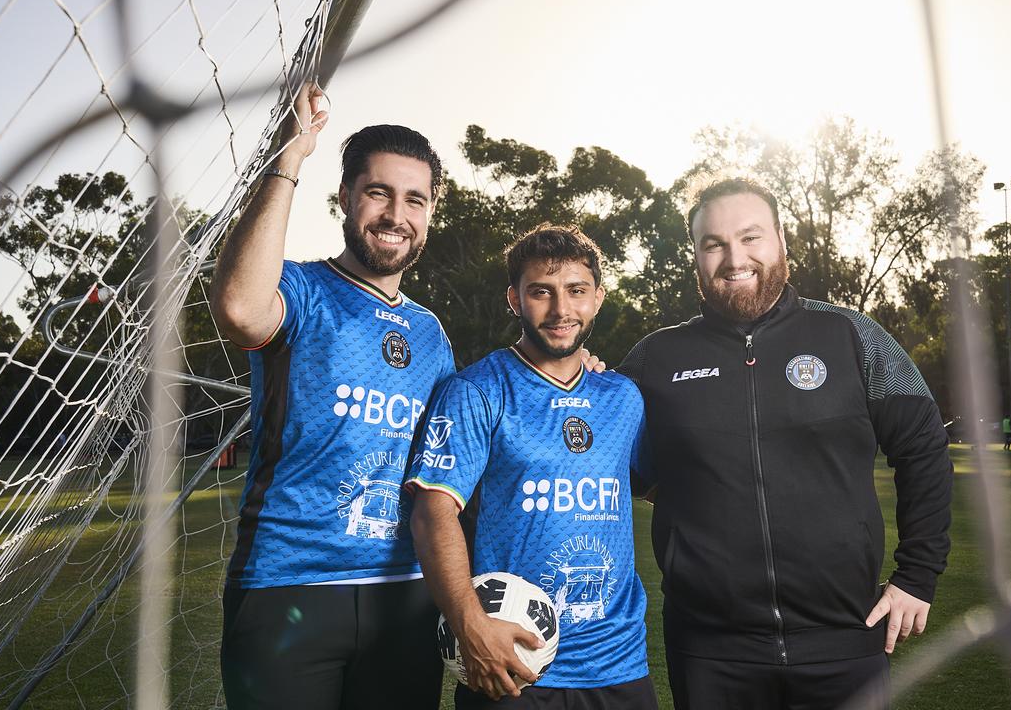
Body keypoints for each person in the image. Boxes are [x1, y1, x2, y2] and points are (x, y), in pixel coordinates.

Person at [618, 179, 953, 709]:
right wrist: (581, 382)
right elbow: (606, 465)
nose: (735, 258)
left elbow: (924, 449)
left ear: (781, 241)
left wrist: (917, 576)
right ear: (697, 258)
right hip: (710, 650)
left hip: (846, 641)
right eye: (714, 244)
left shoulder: (853, 336)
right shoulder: (654, 359)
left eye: (751, 237)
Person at [209, 83, 453, 709]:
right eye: (378, 192)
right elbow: (238, 309)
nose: (396, 214)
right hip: (288, 585)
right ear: (345, 197)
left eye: (414, 200)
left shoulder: (431, 333)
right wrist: (290, 157)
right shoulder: (301, 289)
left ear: (428, 214)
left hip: (403, 594)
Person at [407, 224, 657, 709]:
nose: (562, 310)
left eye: (576, 291)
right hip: (515, 663)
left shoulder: (623, 397)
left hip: (620, 664)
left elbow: (659, 490)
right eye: (541, 292)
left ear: (598, 298)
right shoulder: (477, 391)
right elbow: (431, 514)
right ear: (514, 299)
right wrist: (470, 626)